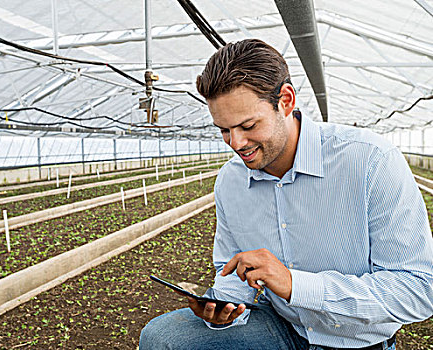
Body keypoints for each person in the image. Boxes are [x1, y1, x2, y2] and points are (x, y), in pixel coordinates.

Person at [139, 38, 433, 350]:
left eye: (248, 125)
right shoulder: (231, 181)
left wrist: (295, 285)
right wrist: (223, 305)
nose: (236, 143)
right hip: (283, 326)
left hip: (356, 340)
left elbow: (418, 288)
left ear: (286, 100)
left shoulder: (370, 160)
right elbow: (230, 268)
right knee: (162, 339)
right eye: (224, 130)